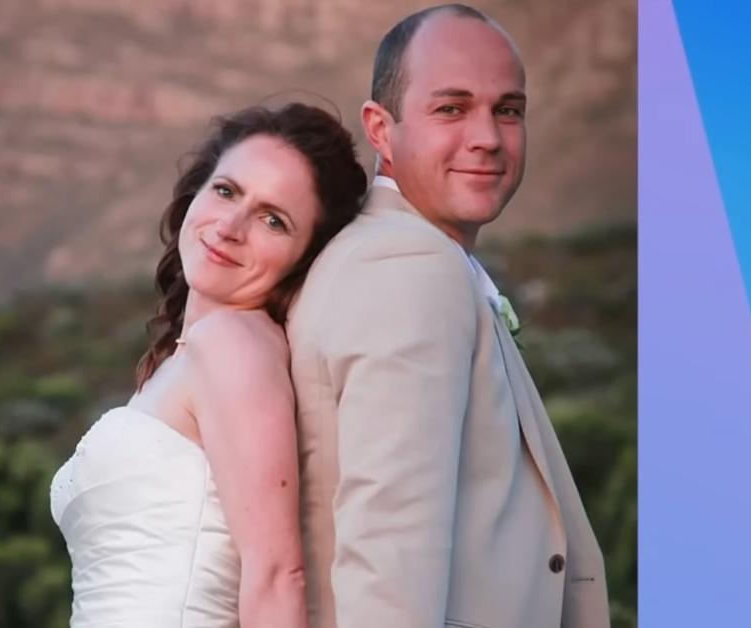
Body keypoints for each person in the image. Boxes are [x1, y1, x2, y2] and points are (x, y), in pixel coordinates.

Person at [286, 5, 612, 628]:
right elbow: (389, 556)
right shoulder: (412, 268)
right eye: (451, 109)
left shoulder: (374, 253)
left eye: (508, 109)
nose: (488, 136)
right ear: (381, 130)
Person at [49, 102, 367, 627]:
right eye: (226, 191)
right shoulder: (188, 354)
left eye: (273, 220)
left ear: (303, 260)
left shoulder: (234, 345)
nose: (231, 226)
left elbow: (277, 575)